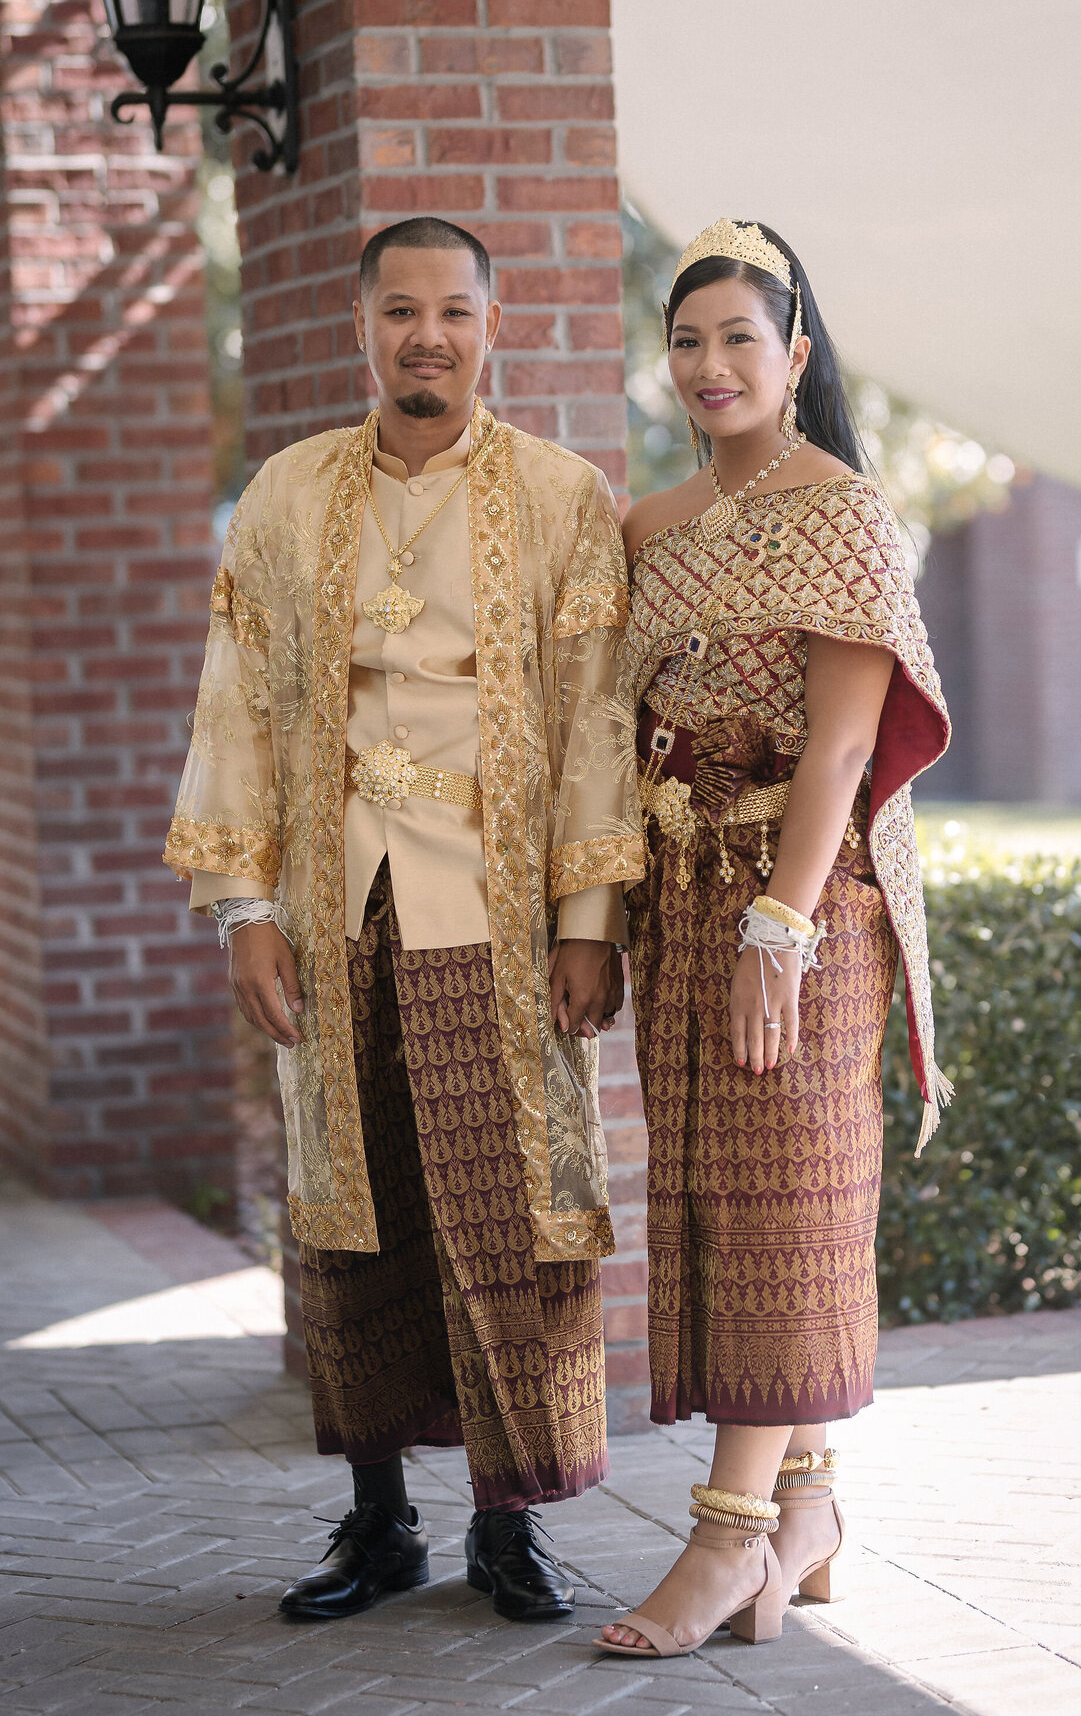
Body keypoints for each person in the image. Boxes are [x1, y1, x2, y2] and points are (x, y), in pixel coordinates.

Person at [165, 217, 644, 1625]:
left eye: (452, 311)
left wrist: (589, 915)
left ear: (497, 329)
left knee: (504, 1220)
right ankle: (379, 1522)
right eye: (399, 311)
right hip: (333, 911)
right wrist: (246, 909)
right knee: (351, 1220)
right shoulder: (285, 495)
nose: (424, 334)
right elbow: (235, 701)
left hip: (494, 920)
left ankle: (509, 1528)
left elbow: (598, 726)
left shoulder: (563, 499)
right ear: (358, 324)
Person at [597, 218, 951, 1658]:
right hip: (683, 903)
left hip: (801, 911)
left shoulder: (845, 513)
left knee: (785, 1214)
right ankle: (805, 1509)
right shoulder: (648, 530)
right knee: (715, 1205)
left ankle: (724, 1541)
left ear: (797, 353)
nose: (710, 365)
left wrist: (777, 930)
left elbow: (841, 745)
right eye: (687, 341)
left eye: (740, 337)